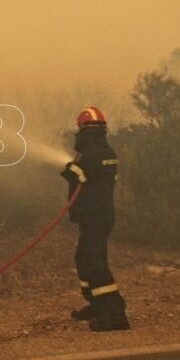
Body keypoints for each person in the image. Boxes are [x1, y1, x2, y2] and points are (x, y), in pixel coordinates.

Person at [61, 107, 129, 332]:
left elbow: (81, 176)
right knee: (83, 258)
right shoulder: (105, 150)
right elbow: (96, 178)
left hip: (95, 216)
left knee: (94, 263)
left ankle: (115, 313)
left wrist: (70, 169)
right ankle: (97, 305)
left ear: (84, 129)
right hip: (97, 215)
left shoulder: (93, 152)